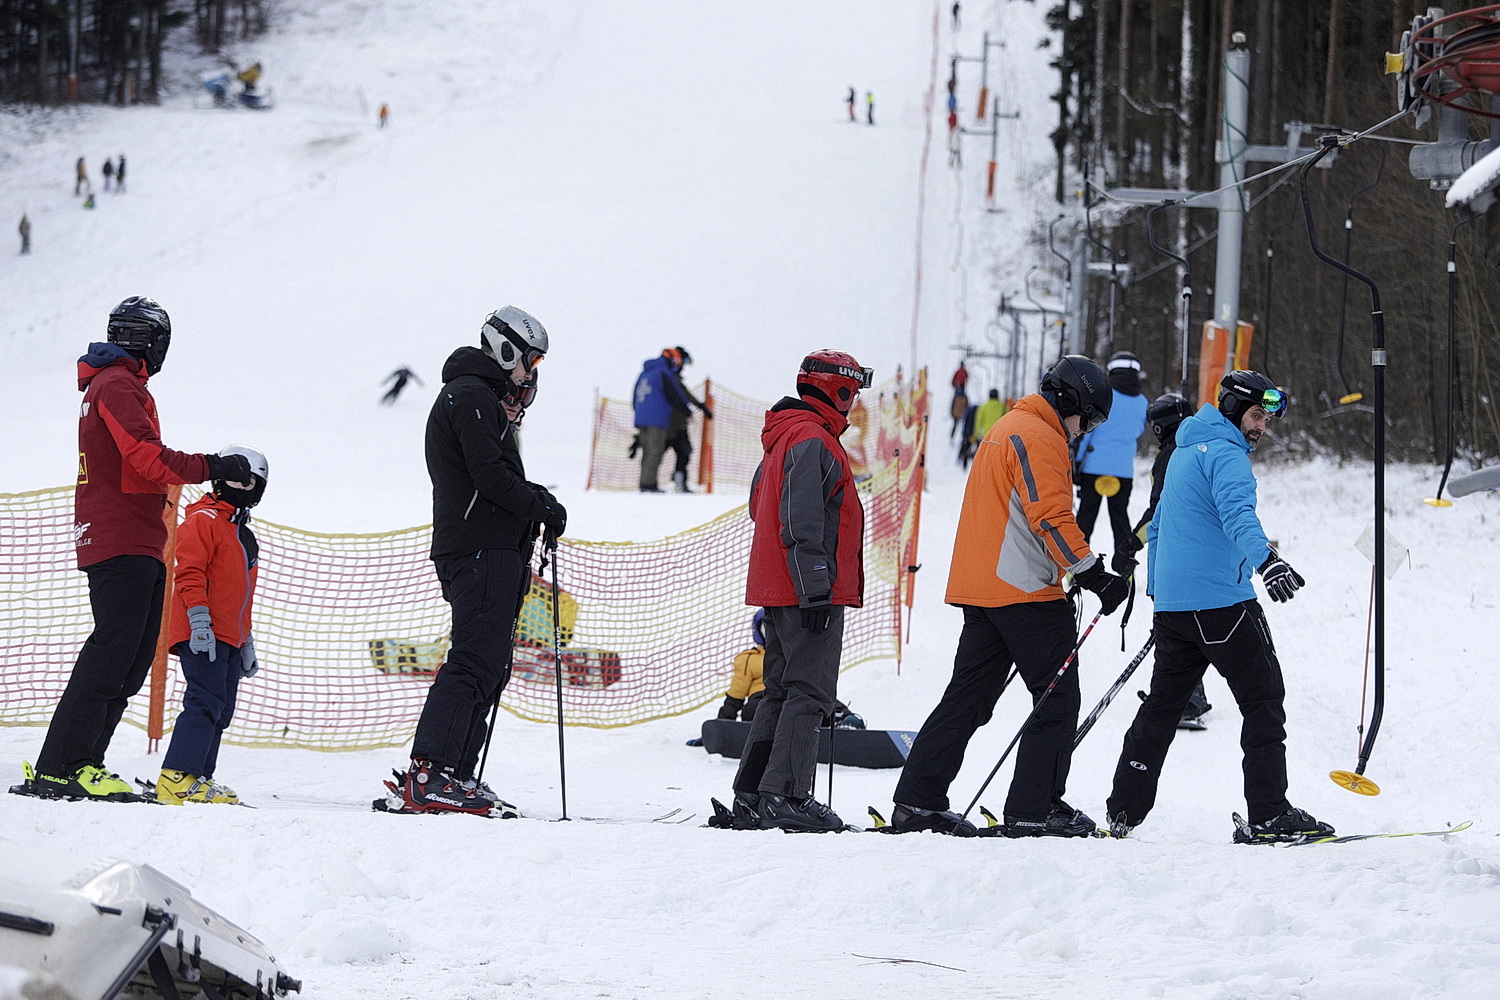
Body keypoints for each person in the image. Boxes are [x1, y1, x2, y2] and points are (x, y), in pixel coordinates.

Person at [18, 297, 253, 802]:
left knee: (129, 658)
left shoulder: (118, 383)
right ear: (150, 341)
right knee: (113, 652)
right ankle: (63, 765)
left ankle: (82, 763)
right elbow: (145, 457)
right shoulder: (117, 384)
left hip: (139, 536)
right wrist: (212, 465)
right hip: (119, 535)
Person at [886, 356, 1129, 837]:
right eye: (1090, 417)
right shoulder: (1040, 437)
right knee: (1056, 699)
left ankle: (918, 800)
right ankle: (1034, 807)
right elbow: (1051, 516)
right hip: (1023, 591)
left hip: (984, 587)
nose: (1086, 430)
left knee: (967, 698)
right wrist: (1092, 572)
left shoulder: (1009, 426)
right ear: (1069, 399)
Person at [1105, 371, 1332, 844]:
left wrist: (1159, 595)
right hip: (1223, 605)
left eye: (1266, 419)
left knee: (1163, 708)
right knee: (1263, 701)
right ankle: (1269, 816)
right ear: (1231, 409)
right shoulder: (1227, 455)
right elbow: (1238, 515)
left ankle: (1124, 809)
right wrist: (1266, 560)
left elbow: (1160, 526)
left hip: (1175, 610)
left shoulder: (1183, 452)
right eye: (1255, 415)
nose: (1261, 427)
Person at [385, 306, 565, 816]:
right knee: (472, 660)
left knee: (491, 664)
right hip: (479, 548)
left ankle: (456, 772)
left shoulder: (484, 399)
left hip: (495, 547)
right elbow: (487, 476)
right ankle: (431, 771)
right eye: (531, 360)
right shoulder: (469, 396)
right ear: (506, 348)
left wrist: (535, 508)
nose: (532, 373)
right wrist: (541, 504)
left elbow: (490, 475)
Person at [726, 350, 872, 832]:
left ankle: (753, 791)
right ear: (842, 391)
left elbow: (758, 505)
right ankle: (785, 794)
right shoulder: (814, 440)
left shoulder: (785, 434)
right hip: (808, 589)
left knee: (781, 690)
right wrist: (815, 589)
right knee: (810, 692)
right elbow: (801, 519)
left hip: (781, 585)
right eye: (852, 394)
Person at [155, 446, 269, 806]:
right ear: (221, 481)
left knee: (221, 708)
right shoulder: (203, 519)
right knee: (204, 701)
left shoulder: (243, 534)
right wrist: (199, 618)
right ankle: (176, 776)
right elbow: (189, 570)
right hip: (202, 630)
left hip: (230, 637)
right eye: (237, 479)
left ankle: (199, 776)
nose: (244, 486)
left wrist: (245, 639)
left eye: (250, 481)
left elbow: (243, 594)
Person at [1123, 391, 1211, 729]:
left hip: (1176, 552)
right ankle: (1187, 694)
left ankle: (1185, 698)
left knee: (1175, 627)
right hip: (1199, 552)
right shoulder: (1199, 449)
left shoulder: (1170, 456)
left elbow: (1160, 510)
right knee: (1190, 625)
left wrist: (1132, 541)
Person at [1073, 351, 1148, 573]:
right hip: (1123, 470)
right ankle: (1125, 567)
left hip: (1093, 467)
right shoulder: (1143, 402)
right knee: (1120, 520)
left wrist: (1077, 464)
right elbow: (1138, 430)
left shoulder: (1104, 394)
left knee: (1085, 518)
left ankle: (1074, 567)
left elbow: (1088, 432)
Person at [632, 348, 694, 493]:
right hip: (656, 418)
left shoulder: (645, 373)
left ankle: (644, 482)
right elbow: (675, 394)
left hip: (641, 418)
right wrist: (687, 411)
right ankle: (649, 485)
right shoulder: (663, 372)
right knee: (655, 452)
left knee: (647, 452)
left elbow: (634, 396)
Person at [662, 346, 714, 493]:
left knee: (682, 451)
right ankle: (677, 481)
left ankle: (679, 480)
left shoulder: (670, 377)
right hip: (673, 423)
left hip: (671, 423)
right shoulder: (671, 378)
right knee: (682, 450)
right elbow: (685, 396)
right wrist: (702, 407)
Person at [716, 609, 768, 722]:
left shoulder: (795, 656)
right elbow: (736, 694)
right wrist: (723, 724)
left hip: (789, 698)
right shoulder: (750, 659)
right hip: (761, 699)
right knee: (754, 709)